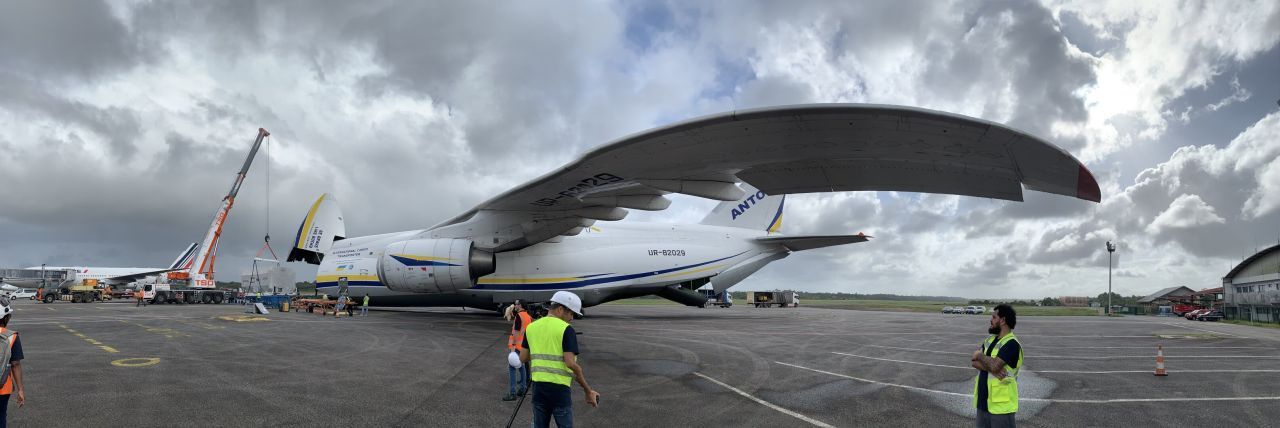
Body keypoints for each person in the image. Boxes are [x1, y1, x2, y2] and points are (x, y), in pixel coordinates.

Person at [519, 292, 599, 428]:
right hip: (559, 391)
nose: (572, 318)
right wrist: (587, 390)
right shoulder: (566, 329)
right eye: (571, 314)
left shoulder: (531, 327)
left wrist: (541, 349)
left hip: (538, 388)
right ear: (560, 309)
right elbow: (570, 363)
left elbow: (523, 357)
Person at [970, 304, 1022, 428]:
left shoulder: (1011, 344)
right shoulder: (989, 340)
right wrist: (991, 368)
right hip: (983, 403)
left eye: (994, 317)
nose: (990, 320)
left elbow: (993, 365)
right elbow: (974, 362)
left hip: (1001, 407)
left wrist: (979, 355)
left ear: (1002, 320)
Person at [0, 298, 26, 427]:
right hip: (3, 387)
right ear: (6, 317)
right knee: (1, 416)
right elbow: (15, 364)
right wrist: (20, 390)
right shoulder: (12, 336)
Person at [503, 301, 533, 401]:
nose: (515, 305)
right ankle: (523, 389)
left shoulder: (519, 316)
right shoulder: (527, 316)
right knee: (522, 367)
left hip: (517, 346)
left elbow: (516, 332)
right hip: (524, 346)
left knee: (512, 367)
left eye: (516, 304)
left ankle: (512, 393)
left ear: (520, 305)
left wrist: (513, 347)